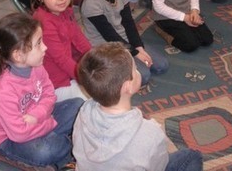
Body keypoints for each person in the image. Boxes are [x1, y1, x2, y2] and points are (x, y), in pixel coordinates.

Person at [73, 42, 203, 171]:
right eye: (135, 70)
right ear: (127, 87)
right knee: (192, 156)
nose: (138, 71)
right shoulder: (150, 133)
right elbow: (159, 167)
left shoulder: (84, 111)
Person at [0, 13, 83, 169]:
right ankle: (65, 142)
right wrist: (50, 123)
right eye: (39, 43)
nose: (45, 47)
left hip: (37, 119)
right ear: (18, 55)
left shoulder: (36, 66)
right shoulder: (3, 92)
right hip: (10, 138)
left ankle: (61, 140)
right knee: (47, 150)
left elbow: (50, 94)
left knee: (78, 105)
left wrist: (38, 115)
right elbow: (19, 133)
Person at [79, 0, 169, 86]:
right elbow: (109, 35)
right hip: (105, 47)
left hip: (123, 40)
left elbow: (128, 22)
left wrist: (138, 47)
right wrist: (134, 53)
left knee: (161, 66)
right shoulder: (91, 4)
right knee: (143, 77)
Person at [32, 0, 91, 101]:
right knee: (90, 103)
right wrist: (86, 79)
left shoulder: (65, 10)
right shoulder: (44, 23)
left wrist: (95, 59)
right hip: (55, 83)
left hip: (70, 73)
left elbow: (79, 38)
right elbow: (61, 60)